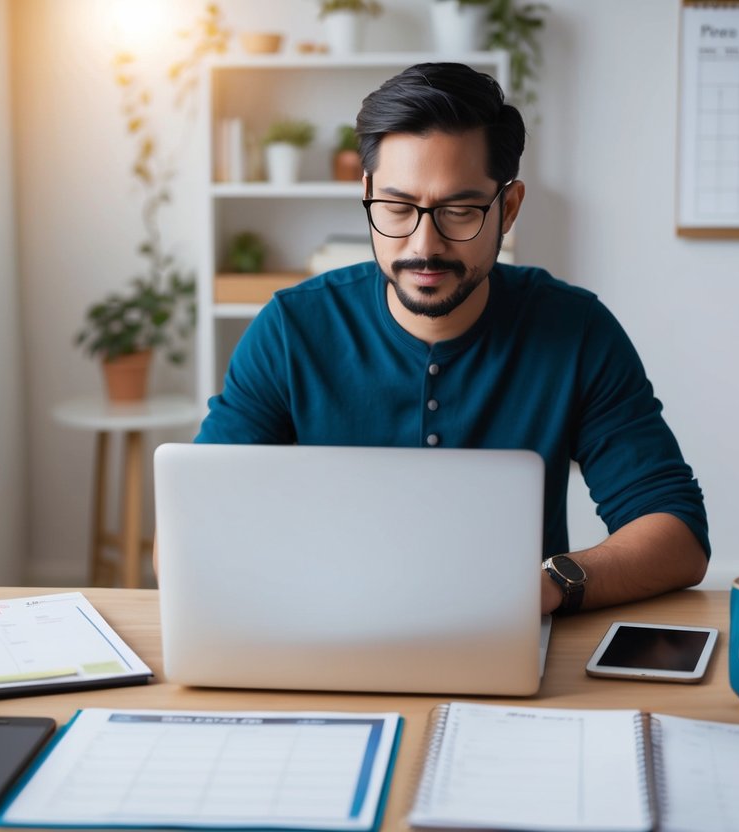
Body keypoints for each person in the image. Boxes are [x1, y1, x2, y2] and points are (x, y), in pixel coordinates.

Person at [196, 62, 709, 615]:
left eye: (459, 211)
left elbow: (676, 533)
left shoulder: (576, 330)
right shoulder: (291, 330)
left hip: (510, 634)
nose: (425, 244)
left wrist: (551, 584)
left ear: (507, 208)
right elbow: (195, 526)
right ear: (366, 195)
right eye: (397, 208)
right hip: (327, 625)